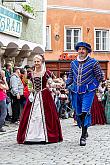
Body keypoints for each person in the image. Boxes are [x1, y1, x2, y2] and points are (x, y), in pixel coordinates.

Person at [17, 52, 63, 144]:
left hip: (44, 95)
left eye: (38, 61)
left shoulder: (46, 73)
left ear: (42, 62)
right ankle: (31, 136)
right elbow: (29, 85)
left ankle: (45, 136)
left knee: (47, 116)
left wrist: (58, 85)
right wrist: (30, 92)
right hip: (34, 96)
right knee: (31, 116)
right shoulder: (30, 74)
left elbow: (50, 84)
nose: (36, 63)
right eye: (35, 61)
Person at [66, 42, 104, 146]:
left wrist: (93, 86)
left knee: (85, 112)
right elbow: (70, 76)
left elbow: (100, 76)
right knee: (78, 113)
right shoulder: (73, 63)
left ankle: (83, 136)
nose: (81, 51)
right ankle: (85, 130)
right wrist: (66, 84)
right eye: (79, 49)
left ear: (87, 51)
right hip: (76, 91)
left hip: (88, 92)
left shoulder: (93, 62)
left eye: (83, 49)